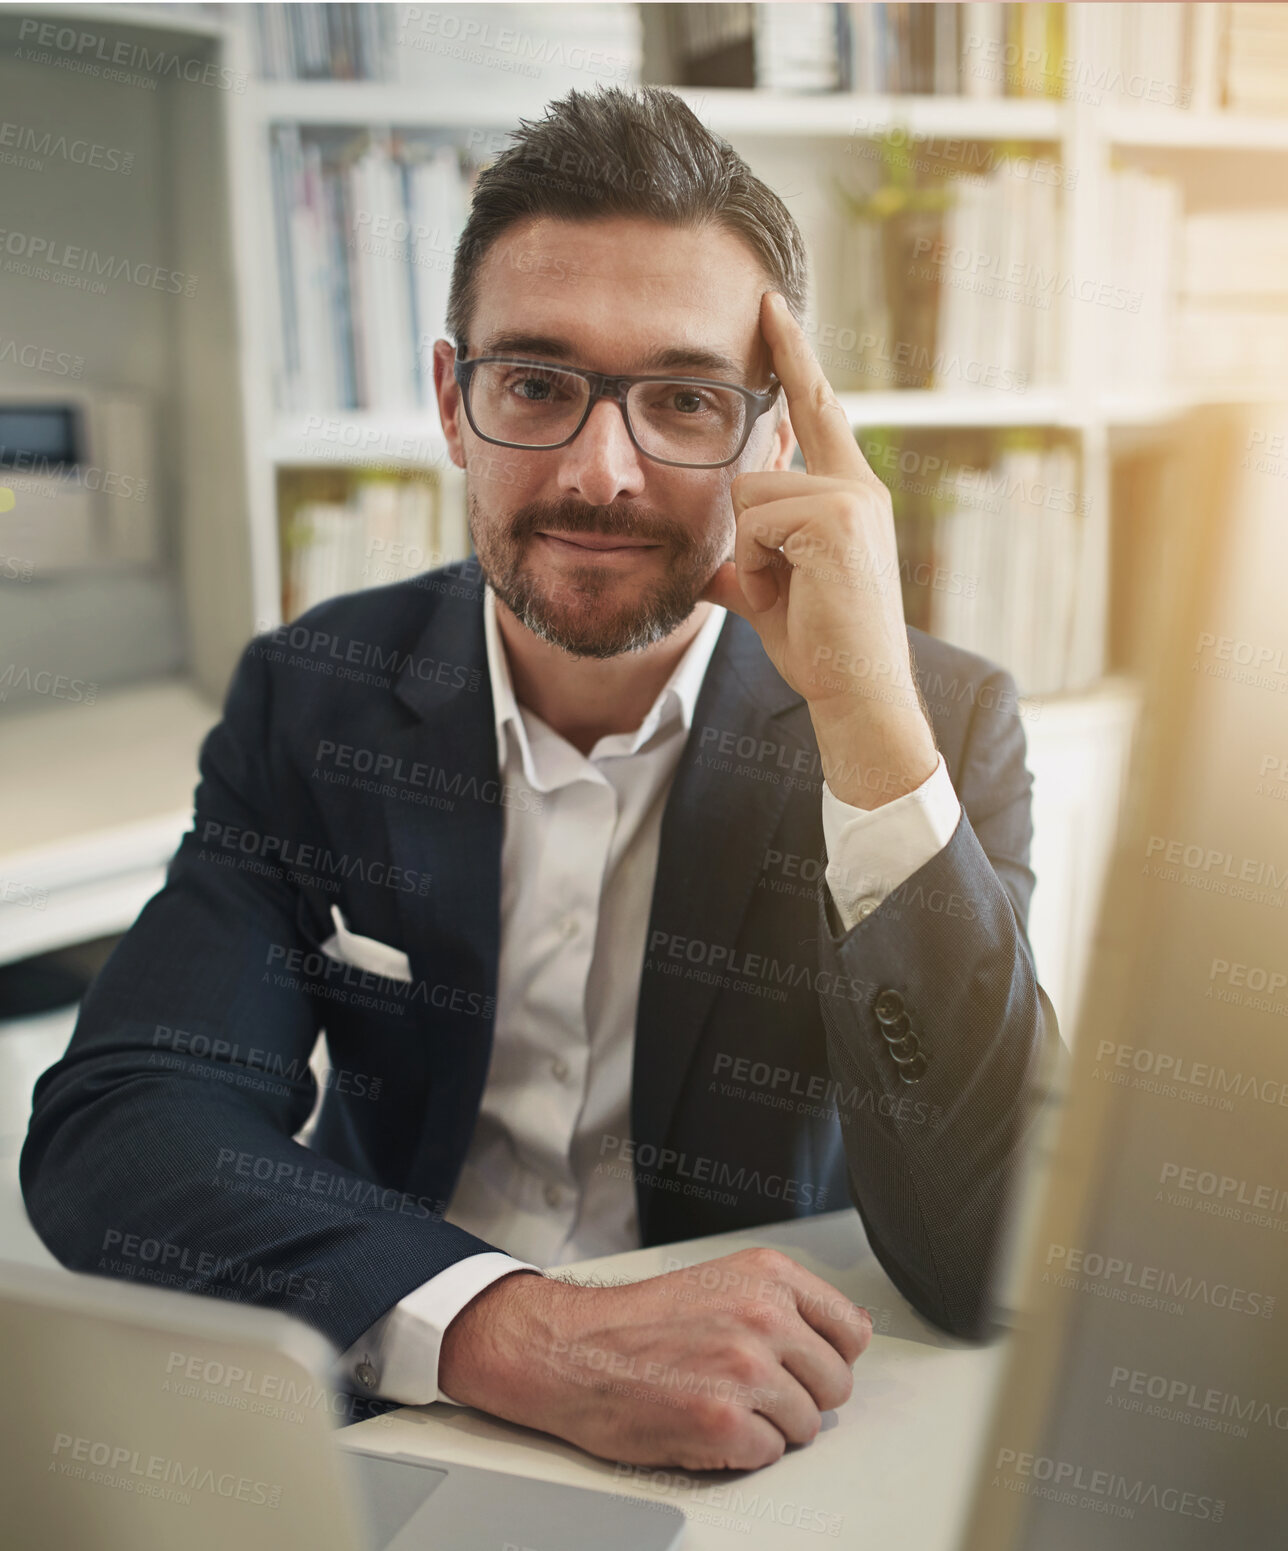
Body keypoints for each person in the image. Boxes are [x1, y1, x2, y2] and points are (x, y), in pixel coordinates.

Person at [22, 85, 1059, 1474]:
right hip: (396, 1384)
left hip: (765, 1428)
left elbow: (995, 1254)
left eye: (686, 399)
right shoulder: (315, 692)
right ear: (454, 404)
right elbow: (125, 1121)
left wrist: (865, 715)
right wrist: (515, 1331)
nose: (599, 471)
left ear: (771, 437)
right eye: (537, 384)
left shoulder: (936, 722)